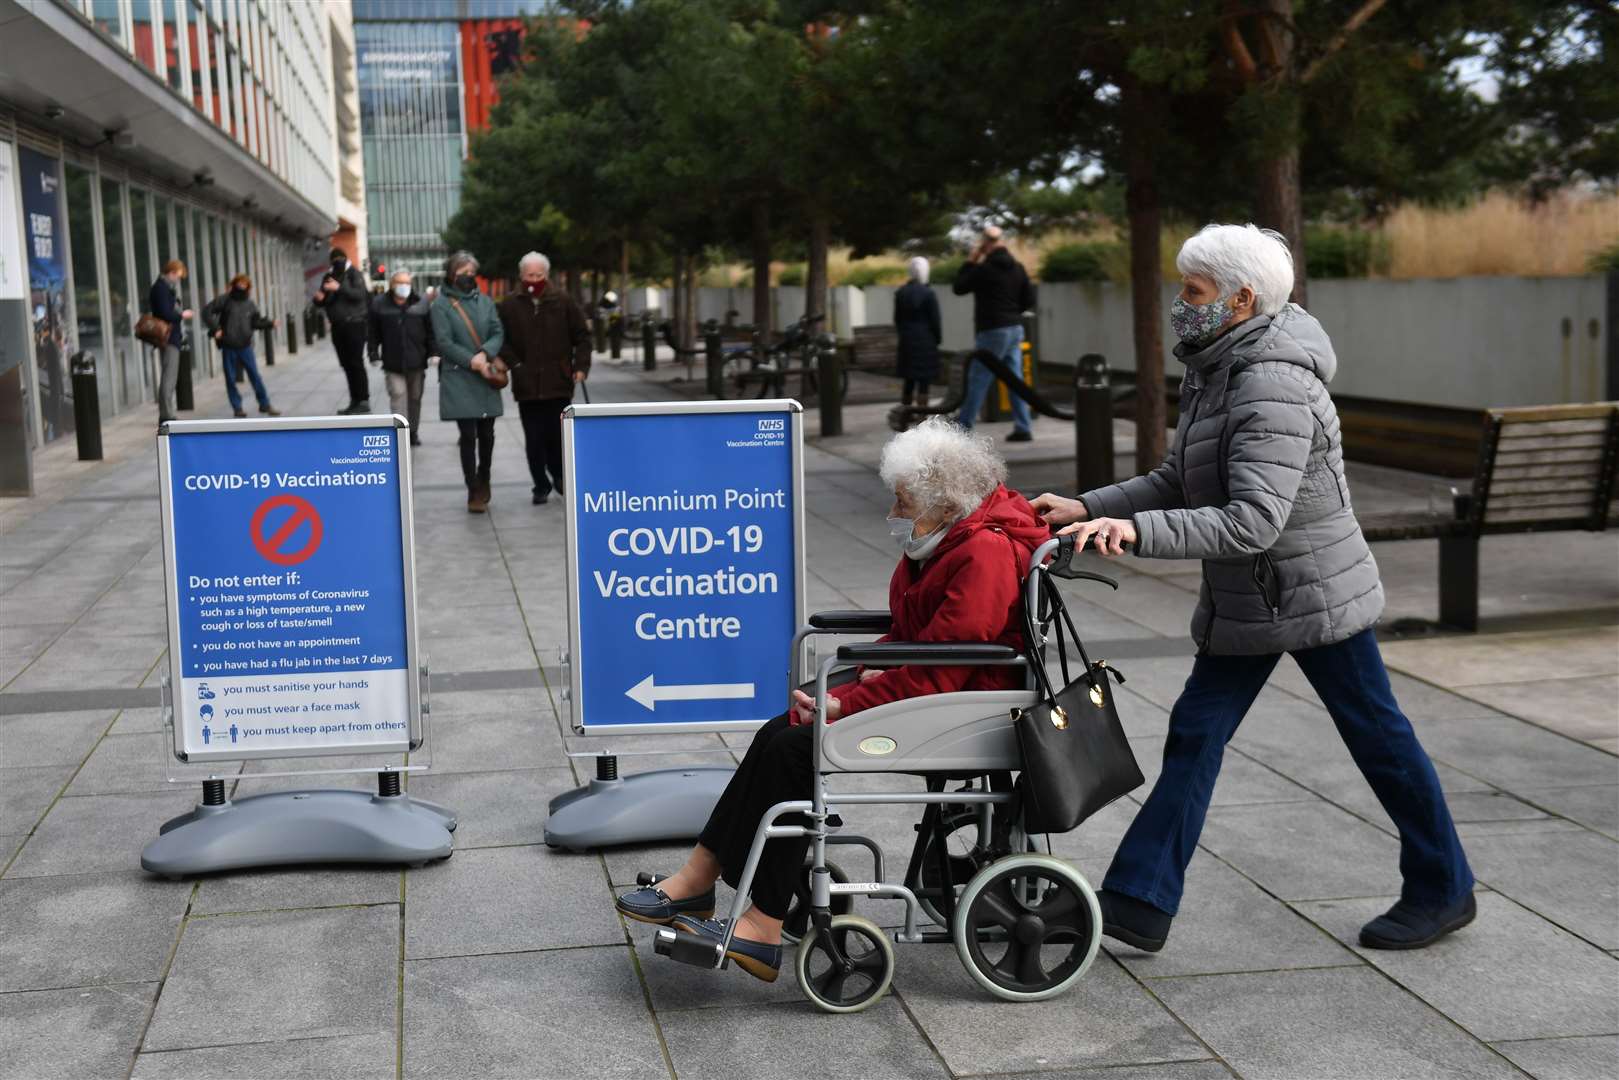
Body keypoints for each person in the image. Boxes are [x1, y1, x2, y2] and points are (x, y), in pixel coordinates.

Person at [1032, 223, 1475, 954]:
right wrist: (1088, 507)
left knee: (1378, 739)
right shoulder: (1220, 364)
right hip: (1251, 597)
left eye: (1192, 291)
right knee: (1196, 735)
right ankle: (1138, 902)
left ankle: (1442, 888)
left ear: (1239, 299)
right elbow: (1182, 479)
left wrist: (1135, 534)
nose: (1180, 303)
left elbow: (1251, 521)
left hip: (1310, 592)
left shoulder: (1272, 381)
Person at [616, 418, 1050, 982]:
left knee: (797, 749)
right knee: (780, 731)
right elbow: (920, 638)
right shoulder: (948, 542)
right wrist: (854, 678)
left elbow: (944, 664)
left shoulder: (983, 553)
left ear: (945, 504)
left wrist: (849, 703)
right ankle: (701, 878)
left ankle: (763, 922)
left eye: (903, 500)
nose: (895, 513)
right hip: (941, 690)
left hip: (966, 705)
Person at [497, 251, 591, 504]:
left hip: (558, 382)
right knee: (534, 437)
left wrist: (580, 366)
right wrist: (515, 364)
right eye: (530, 275)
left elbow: (582, 336)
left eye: (539, 275)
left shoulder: (563, 301)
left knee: (557, 434)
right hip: (526, 383)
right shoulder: (509, 304)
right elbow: (500, 339)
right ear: (521, 275)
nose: (534, 279)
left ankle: (559, 475)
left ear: (547, 275)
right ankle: (540, 483)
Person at [430, 251, 505, 513]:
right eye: (463, 273)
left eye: (472, 273)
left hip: (485, 375)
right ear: (452, 275)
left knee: (487, 433)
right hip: (459, 376)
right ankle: (472, 488)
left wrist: (486, 353)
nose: (468, 278)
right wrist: (471, 360)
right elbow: (444, 341)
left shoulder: (485, 301)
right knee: (468, 435)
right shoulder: (440, 305)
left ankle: (484, 475)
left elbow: (497, 330)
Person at [953, 225, 1035, 442]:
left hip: (992, 330)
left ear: (986, 244)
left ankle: (963, 428)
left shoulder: (984, 269)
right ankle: (1023, 426)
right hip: (1015, 328)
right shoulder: (1018, 267)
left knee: (979, 378)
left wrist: (971, 260)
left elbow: (959, 287)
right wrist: (1012, 313)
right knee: (1014, 380)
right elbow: (1029, 300)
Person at [368, 269, 433, 445]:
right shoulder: (379, 304)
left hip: (417, 361)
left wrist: (433, 353)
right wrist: (373, 352)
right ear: (392, 285)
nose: (404, 286)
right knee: (398, 396)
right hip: (393, 362)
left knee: (415, 398)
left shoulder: (421, 303)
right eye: (400, 282)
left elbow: (430, 330)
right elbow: (373, 331)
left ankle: (413, 431)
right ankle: (400, 433)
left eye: (407, 283)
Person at [203, 274, 280, 418]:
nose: (241, 286)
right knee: (231, 379)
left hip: (245, 346)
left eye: (245, 284)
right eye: (239, 283)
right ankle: (237, 408)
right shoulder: (225, 300)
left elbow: (255, 322)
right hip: (228, 345)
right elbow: (206, 312)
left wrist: (270, 323)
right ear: (234, 284)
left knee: (255, 376)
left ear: (248, 287)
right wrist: (215, 329)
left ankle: (265, 404)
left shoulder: (249, 303)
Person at [311, 246, 371, 414]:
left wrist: (339, 288)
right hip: (337, 326)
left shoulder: (354, 274)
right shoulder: (329, 276)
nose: (337, 263)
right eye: (334, 260)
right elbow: (324, 300)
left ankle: (363, 400)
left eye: (340, 259)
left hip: (355, 324)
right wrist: (319, 299)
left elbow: (359, 295)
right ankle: (354, 399)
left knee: (356, 362)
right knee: (346, 364)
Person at [892, 255, 942, 430]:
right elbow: (935, 320)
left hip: (907, 339)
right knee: (924, 379)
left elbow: (897, 319)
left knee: (909, 379)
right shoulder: (929, 293)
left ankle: (906, 412)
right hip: (926, 339)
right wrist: (937, 339)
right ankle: (922, 414)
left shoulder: (901, 293)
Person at [149, 259, 193, 425]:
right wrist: (182, 315)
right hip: (168, 338)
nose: (178, 280)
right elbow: (165, 314)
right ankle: (166, 414)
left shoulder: (165, 288)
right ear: (172, 272)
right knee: (169, 376)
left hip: (171, 337)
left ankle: (167, 412)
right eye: (178, 276)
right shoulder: (160, 289)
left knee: (170, 375)